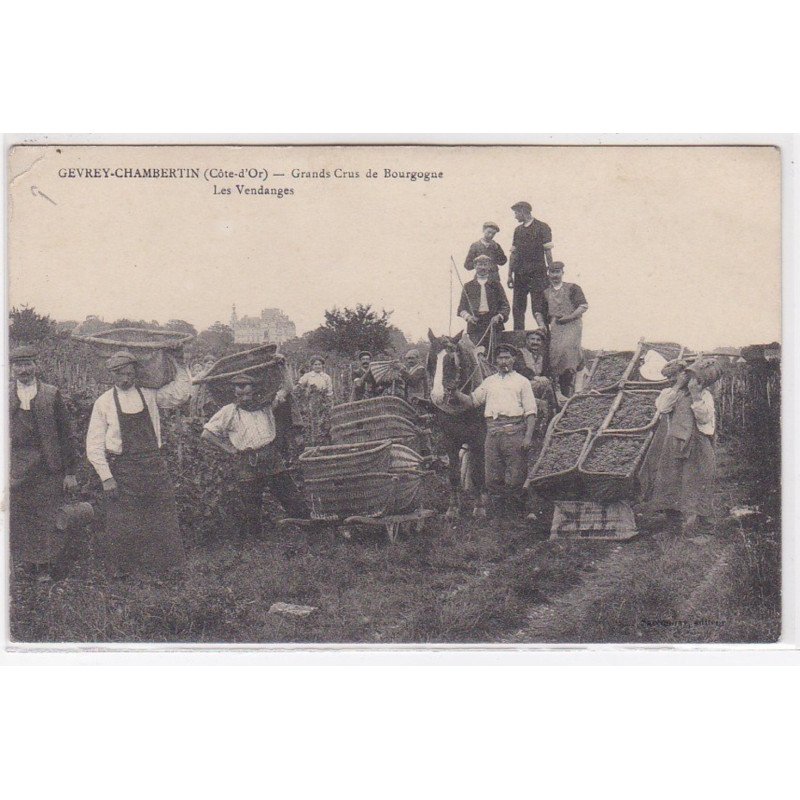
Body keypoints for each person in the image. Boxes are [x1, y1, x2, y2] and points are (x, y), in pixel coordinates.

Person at [86, 349, 191, 578]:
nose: (125, 379)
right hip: (124, 469)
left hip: (154, 466)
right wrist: (107, 477)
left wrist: (179, 363)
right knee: (123, 522)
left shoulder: (149, 395)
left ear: (136, 373)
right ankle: (123, 574)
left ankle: (168, 571)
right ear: (112, 375)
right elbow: (93, 445)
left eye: (129, 373)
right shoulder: (103, 403)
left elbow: (180, 394)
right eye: (120, 374)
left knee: (162, 518)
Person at [202, 373, 309, 533]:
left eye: (247, 393)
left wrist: (283, 366)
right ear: (233, 393)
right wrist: (229, 449)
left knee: (290, 497)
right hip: (247, 461)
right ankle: (254, 543)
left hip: (271, 457)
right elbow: (207, 433)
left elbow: (287, 388)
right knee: (251, 505)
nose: (244, 398)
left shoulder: (266, 405)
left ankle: (310, 530)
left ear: (255, 391)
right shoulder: (228, 411)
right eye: (239, 394)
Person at [9, 345, 79, 580]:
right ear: (12, 369)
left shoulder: (51, 394)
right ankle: (25, 563)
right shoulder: (5, 395)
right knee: (21, 514)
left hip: (48, 465)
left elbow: (66, 434)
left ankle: (45, 566)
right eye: (19, 365)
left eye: (28, 364)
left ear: (36, 367)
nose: (23, 370)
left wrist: (70, 472)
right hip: (16, 466)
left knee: (47, 515)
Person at [454, 342, 537, 515]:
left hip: (514, 432)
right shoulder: (489, 382)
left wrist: (528, 436)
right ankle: (500, 511)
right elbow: (473, 401)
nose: (504, 361)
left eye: (507, 357)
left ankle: (517, 510)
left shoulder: (522, 382)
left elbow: (530, 412)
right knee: (492, 477)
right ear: (496, 361)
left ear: (513, 359)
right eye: (500, 358)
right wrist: (455, 393)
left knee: (516, 476)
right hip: (492, 434)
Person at [648, 358, 720, 533]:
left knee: (700, 479)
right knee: (671, 480)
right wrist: (677, 387)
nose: (688, 381)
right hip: (676, 441)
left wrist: (695, 395)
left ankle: (703, 523)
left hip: (699, 442)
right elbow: (663, 408)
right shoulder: (671, 393)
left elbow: (704, 418)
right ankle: (673, 521)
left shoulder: (704, 395)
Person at [544, 262, 588, 398]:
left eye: (557, 272)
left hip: (572, 323)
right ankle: (561, 388)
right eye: (552, 272)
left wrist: (569, 317)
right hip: (556, 325)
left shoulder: (573, 288)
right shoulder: (546, 292)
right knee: (555, 354)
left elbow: (583, 306)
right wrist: (542, 324)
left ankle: (578, 382)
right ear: (549, 274)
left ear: (562, 272)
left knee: (568, 349)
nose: (555, 275)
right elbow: (540, 311)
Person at [508, 201, 553, 330]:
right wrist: (509, 275)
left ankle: (545, 337)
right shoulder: (517, 230)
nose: (515, 216)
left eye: (516, 213)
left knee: (539, 307)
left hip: (538, 274)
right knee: (517, 308)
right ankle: (518, 337)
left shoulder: (542, 227)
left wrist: (550, 271)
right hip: (520, 275)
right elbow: (513, 254)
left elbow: (548, 252)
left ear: (523, 211)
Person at [457, 255, 510, 358]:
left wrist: (499, 316)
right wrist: (468, 317)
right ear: (475, 266)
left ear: (489, 266)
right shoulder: (468, 286)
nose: (482, 267)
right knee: (476, 357)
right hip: (475, 326)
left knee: (494, 356)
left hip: (493, 326)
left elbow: (505, 306)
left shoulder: (496, 285)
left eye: (485, 264)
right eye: (479, 264)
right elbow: (461, 308)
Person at [293, 354, 334, 446]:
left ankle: (323, 440)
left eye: (319, 364)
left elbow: (330, 391)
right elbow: (299, 386)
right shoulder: (308, 376)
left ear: (322, 365)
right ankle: (313, 441)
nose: (317, 366)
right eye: (315, 364)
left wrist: (330, 402)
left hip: (323, 401)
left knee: (324, 420)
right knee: (313, 420)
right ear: (312, 366)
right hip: (311, 401)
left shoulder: (326, 377)